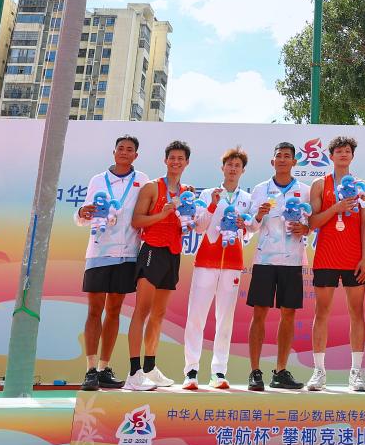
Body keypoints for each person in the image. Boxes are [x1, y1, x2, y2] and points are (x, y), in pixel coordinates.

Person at [76, 134, 148, 391]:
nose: (124, 152)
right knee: (94, 310)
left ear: (136, 155)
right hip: (98, 251)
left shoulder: (143, 181)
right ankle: (90, 369)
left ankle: (104, 368)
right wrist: (82, 213)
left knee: (115, 310)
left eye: (130, 149)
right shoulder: (98, 180)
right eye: (121, 148)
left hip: (127, 253)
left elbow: (150, 209)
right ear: (114, 152)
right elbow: (84, 214)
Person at [182, 147, 253, 390]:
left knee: (225, 320)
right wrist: (212, 205)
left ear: (243, 171)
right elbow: (199, 226)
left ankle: (219, 371)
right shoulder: (207, 194)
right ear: (222, 168)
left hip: (233, 264)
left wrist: (246, 225)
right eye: (229, 165)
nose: (233, 169)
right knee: (196, 316)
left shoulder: (247, 199)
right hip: (206, 262)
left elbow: (250, 231)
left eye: (237, 166)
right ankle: (191, 371)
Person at [126, 140, 193, 391]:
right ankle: (134, 373)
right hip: (152, 250)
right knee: (142, 311)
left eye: (180, 158)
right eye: (172, 158)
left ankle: (150, 368)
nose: (176, 162)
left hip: (173, 253)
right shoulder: (152, 187)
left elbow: (188, 221)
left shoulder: (187, 192)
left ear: (187, 163)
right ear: (165, 160)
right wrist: (162, 215)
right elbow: (136, 221)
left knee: (159, 314)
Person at [306, 135, 365, 393]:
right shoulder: (320, 184)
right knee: (321, 312)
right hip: (326, 256)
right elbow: (312, 222)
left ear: (352, 156)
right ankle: (319, 371)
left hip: (354, 257)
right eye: (339, 151)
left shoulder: (362, 185)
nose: (343, 154)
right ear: (331, 156)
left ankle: (356, 372)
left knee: (357, 312)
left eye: (347, 151)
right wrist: (337, 207)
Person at [246, 142, 311, 392]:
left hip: (292, 260)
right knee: (259, 313)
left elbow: (311, 223)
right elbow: (250, 227)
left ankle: (281, 371)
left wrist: (305, 228)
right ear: (272, 161)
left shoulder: (304, 191)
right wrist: (258, 215)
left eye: (287, 156)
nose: (283, 159)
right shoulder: (260, 190)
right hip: (265, 260)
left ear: (294, 162)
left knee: (289, 314)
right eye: (279, 156)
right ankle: (255, 372)